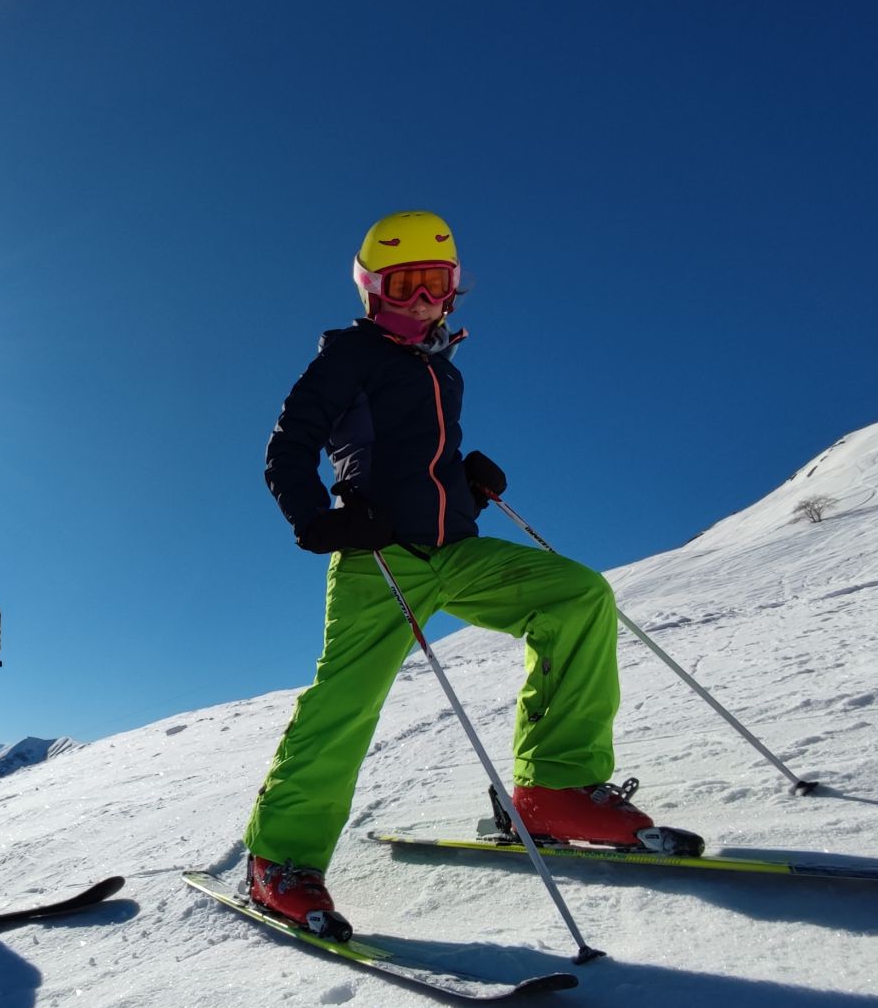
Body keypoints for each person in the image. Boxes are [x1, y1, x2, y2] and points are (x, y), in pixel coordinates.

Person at [243, 210, 662, 933]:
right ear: (372, 289)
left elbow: (416, 459)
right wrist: (315, 517)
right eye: (404, 283)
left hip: (456, 552)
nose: (421, 299)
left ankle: (554, 789)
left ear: (454, 288)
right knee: (345, 703)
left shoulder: (442, 368)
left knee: (578, 595)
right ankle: (280, 860)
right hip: (380, 557)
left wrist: (463, 483)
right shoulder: (347, 355)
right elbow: (289, 444)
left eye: (435, 283)